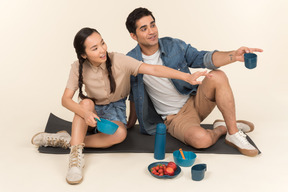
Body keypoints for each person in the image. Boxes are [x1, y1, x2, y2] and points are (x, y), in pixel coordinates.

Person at [31, 27, 209, 185]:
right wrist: (85, 114)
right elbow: (66, 99)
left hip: (115, 109)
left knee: (120, 134)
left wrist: (186, 77)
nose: (102, 50)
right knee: (85, 103)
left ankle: (68, 141)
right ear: (84, 54)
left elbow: (153, 69)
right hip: (91, 109)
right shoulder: (78, 66)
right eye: (95, 48)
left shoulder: (119, 60)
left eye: (102, 43)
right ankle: (75, 161)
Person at [125, 7, 263, 157]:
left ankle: (233, 133)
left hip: (195, 99)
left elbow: (202, 58)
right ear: (134, 36)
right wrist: (130, 124)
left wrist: (234, 55)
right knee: (202, 140)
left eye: (153, 25)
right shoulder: (131, 61)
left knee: (218, 75)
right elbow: (134, 96)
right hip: (175, 118)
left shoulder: (173, 45)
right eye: (144, 29)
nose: (152, 31)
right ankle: (222, 128)